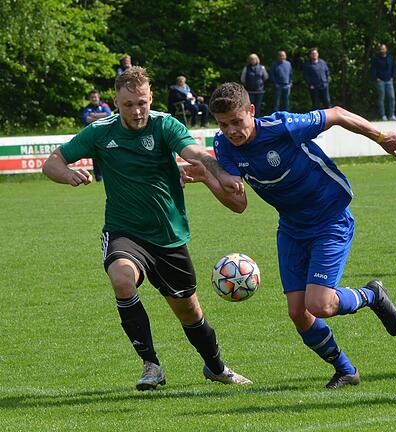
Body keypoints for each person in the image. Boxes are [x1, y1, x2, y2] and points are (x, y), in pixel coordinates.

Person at [181, 82, 396, 388]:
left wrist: (382, 137)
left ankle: (372, 295)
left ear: (251, 111)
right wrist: (207, 178)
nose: (232, 131)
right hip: (292, 228)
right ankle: (346, 370)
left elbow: (336, 114)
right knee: (298, 312)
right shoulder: (224, 147)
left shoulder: (282, 126)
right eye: (224, 125)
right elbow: (238, 203)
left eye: (237, 122)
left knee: (319, 304)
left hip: (330, 218)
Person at [41, 67, 251, 391]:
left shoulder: (165, 124)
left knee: (190, 313)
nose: (137, 111)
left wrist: (219, 173)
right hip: (124, 231)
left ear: (151, 97)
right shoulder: (100, 132)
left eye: (142, 102)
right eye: (128, 105)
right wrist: (67, 174)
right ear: (116, 102)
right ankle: (151, 365)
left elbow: (193, 152)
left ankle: (216, 367)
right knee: (122, 278)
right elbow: (52, 162)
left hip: (168, 235)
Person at [81, 89, 112, 181]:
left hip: (105, 134)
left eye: (95, 97)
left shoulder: (104, 105)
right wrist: (100, 117)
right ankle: (98, 176)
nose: (94, 99)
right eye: (92, 97)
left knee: (108, 154)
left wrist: (94, 115)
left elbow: (108, 115)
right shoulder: (87, 108)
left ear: (98, 97)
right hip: (93, 135)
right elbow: (86, 119)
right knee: (95, 156)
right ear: (90, 98)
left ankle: (109, 174)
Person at [372, 44, 396, 121]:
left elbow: (393, 67)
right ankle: (383, 115)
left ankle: (392, 115)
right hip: (380, 81)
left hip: (389, 80)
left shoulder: (390, 57)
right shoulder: (376, 58)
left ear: (386, 49)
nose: (382, 50)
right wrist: (376, 78)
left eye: (383, 49)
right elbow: (373, 69)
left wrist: (392, 77)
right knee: (381, 98)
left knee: (391, 97)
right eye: (381, 49)